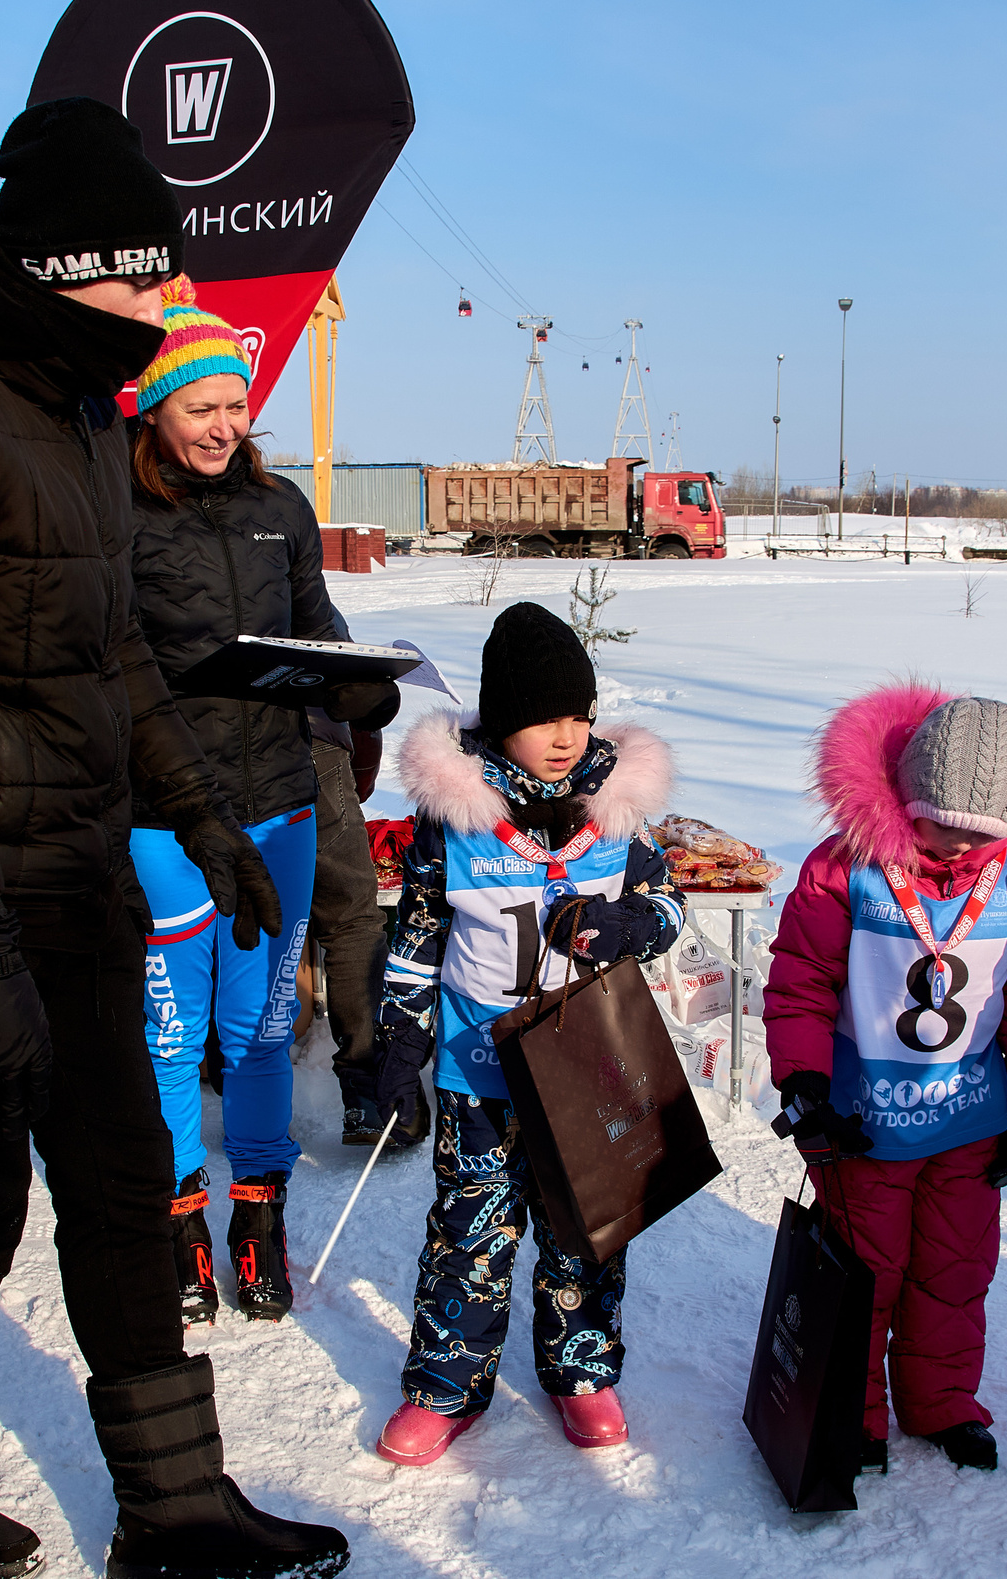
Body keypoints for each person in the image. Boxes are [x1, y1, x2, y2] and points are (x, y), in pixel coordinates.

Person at [0, 97, 345, 1579]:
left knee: (113, 1180)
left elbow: (108, 661)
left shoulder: (74, 417)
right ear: (64, 267)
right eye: (148, 277)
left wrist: (205, 816)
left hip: (72, 869)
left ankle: (173, 1507)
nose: (170, 307)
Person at [124, 283, 400, 1324]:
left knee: (263, 1026)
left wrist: (358, 684)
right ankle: (177, 1218)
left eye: (235, 406)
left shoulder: (277, 507)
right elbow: (99, 655)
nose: (224, 426)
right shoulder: (117, 505)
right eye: (201, 409)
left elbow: (316, 623)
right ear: (157, 409)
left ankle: (257, 1214)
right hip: (163, 816)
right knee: (168, 1032)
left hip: (279, 801)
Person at [367, 602, 682, 1466]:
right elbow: (419, 936)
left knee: (587, 1229)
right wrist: (399, 1045)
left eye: (579, 714)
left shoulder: (615, 808)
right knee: (469, 1233)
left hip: (584, 1068)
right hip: (480, 1073)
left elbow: (667, 901)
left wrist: (631, 926)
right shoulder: (455, 817)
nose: (567, 735)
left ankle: (580, 1369)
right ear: (501, 721)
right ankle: (444, 1385)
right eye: (544, 717)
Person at [762, 687, 1007, 1477]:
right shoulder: (846, 873)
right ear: (906, 797)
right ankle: (855, 1410)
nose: (956, 850)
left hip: (970, 1122)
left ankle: (941, 1402)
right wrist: (804, 1082)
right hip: (864, 1125)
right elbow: (801, 981)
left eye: (981, 836)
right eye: (940, 826)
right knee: (866, 1275)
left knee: (955, 1271)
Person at [308, 710, 421, 1151]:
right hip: (311, 742)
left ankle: (240, 1082)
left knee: (243, 913)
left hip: (191, 744)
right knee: (350, 919)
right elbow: (361, 698)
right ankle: (367, 1094)